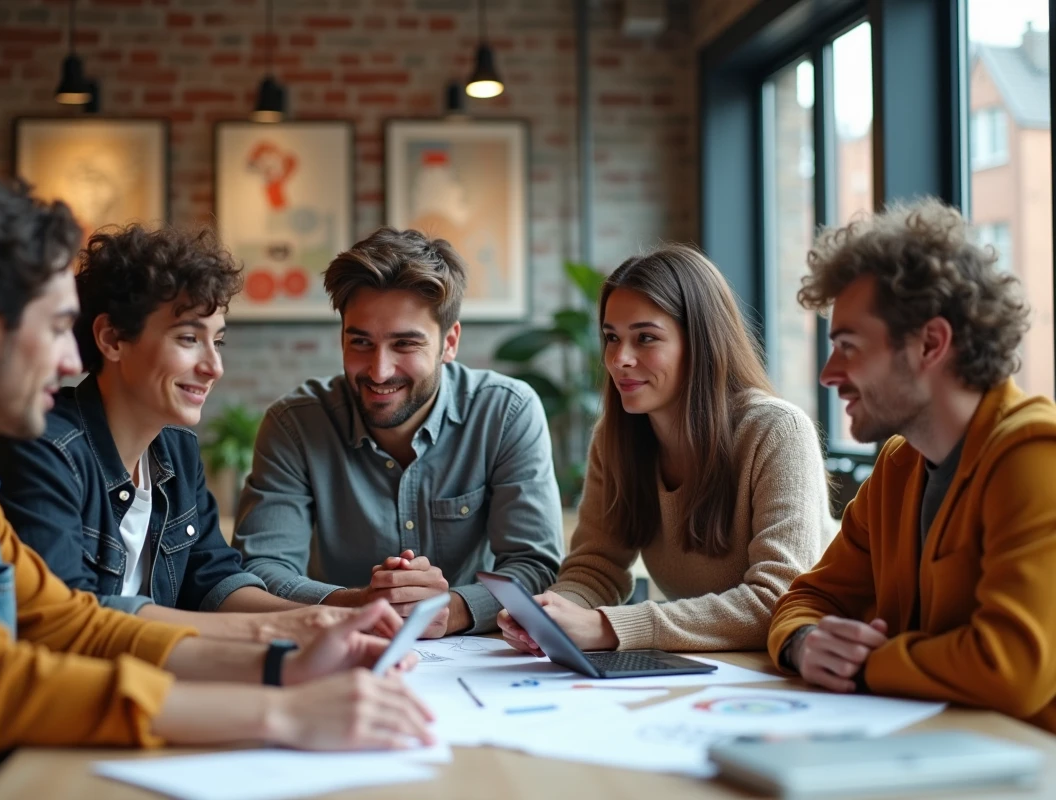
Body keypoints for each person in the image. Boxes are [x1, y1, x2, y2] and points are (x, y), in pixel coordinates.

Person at [0, 174, 431, 800]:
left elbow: (70, 624)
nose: (71, 361)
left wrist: (281, 664)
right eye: (55, 328)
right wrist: (284, 713)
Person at [0, 225, 381, 644]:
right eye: (189, 338)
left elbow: (215, 580)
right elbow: (68, 619)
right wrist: (275, 628)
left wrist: (340, 612)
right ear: (112, 338)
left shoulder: (176, 452)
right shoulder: (46, 449)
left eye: (218, 342)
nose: (214, 367)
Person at [766, 199, 1056, 732]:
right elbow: (809, 598)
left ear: (931, 343)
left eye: (848, 346)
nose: (830, 374)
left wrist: (864, 663)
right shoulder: (900, 465)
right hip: (936, 751)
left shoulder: (1036, 455)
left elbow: (1010, 667)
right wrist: (805, 643)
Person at [498, 245, 834, 654]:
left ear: (702, 343)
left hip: (800, 667)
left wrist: (606, 627)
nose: (620, 358)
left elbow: (778, 599)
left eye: (646, 338)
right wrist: (553, 613)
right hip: (713, 669)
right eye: (611, 338)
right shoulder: (616, 436)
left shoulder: (777, 431)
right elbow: (596, 566)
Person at [232, 227, 564, 637]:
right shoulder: (295, 425)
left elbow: (536, 566)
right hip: (337, 652)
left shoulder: (506, 412)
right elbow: (261, 569)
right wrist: (360, 605)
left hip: (475, 661)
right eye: (361, 343)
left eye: (405, 344)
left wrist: (451, 611)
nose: (379, 370)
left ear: (450, 342)